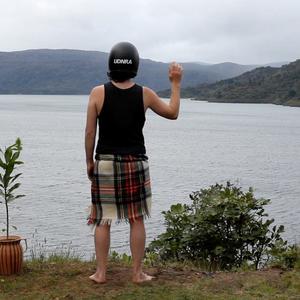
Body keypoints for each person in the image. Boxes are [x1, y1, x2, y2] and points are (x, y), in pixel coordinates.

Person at [85, 41, 183, 283]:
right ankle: (137, 274)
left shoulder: (98, 93)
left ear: (111, 65)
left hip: (105, 162)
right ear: (135, 65)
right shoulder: (145, 94)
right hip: (135, 163)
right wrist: (175, 84)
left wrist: (89, 161)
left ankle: (100, 273)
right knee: (136, 218)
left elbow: (89, 133)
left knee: (103, 219)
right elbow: (173, 112)